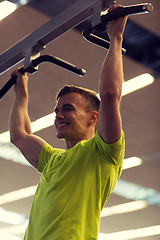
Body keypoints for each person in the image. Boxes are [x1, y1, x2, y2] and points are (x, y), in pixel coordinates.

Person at [10, 5, 127, 240]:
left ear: (94, 117)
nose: (58, 116)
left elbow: (110, 94)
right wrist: (21, 92)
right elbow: (19, 135)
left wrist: (115, 37)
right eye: (57, 110)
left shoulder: (103, 153)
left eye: (68, 109)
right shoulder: (52, 159)